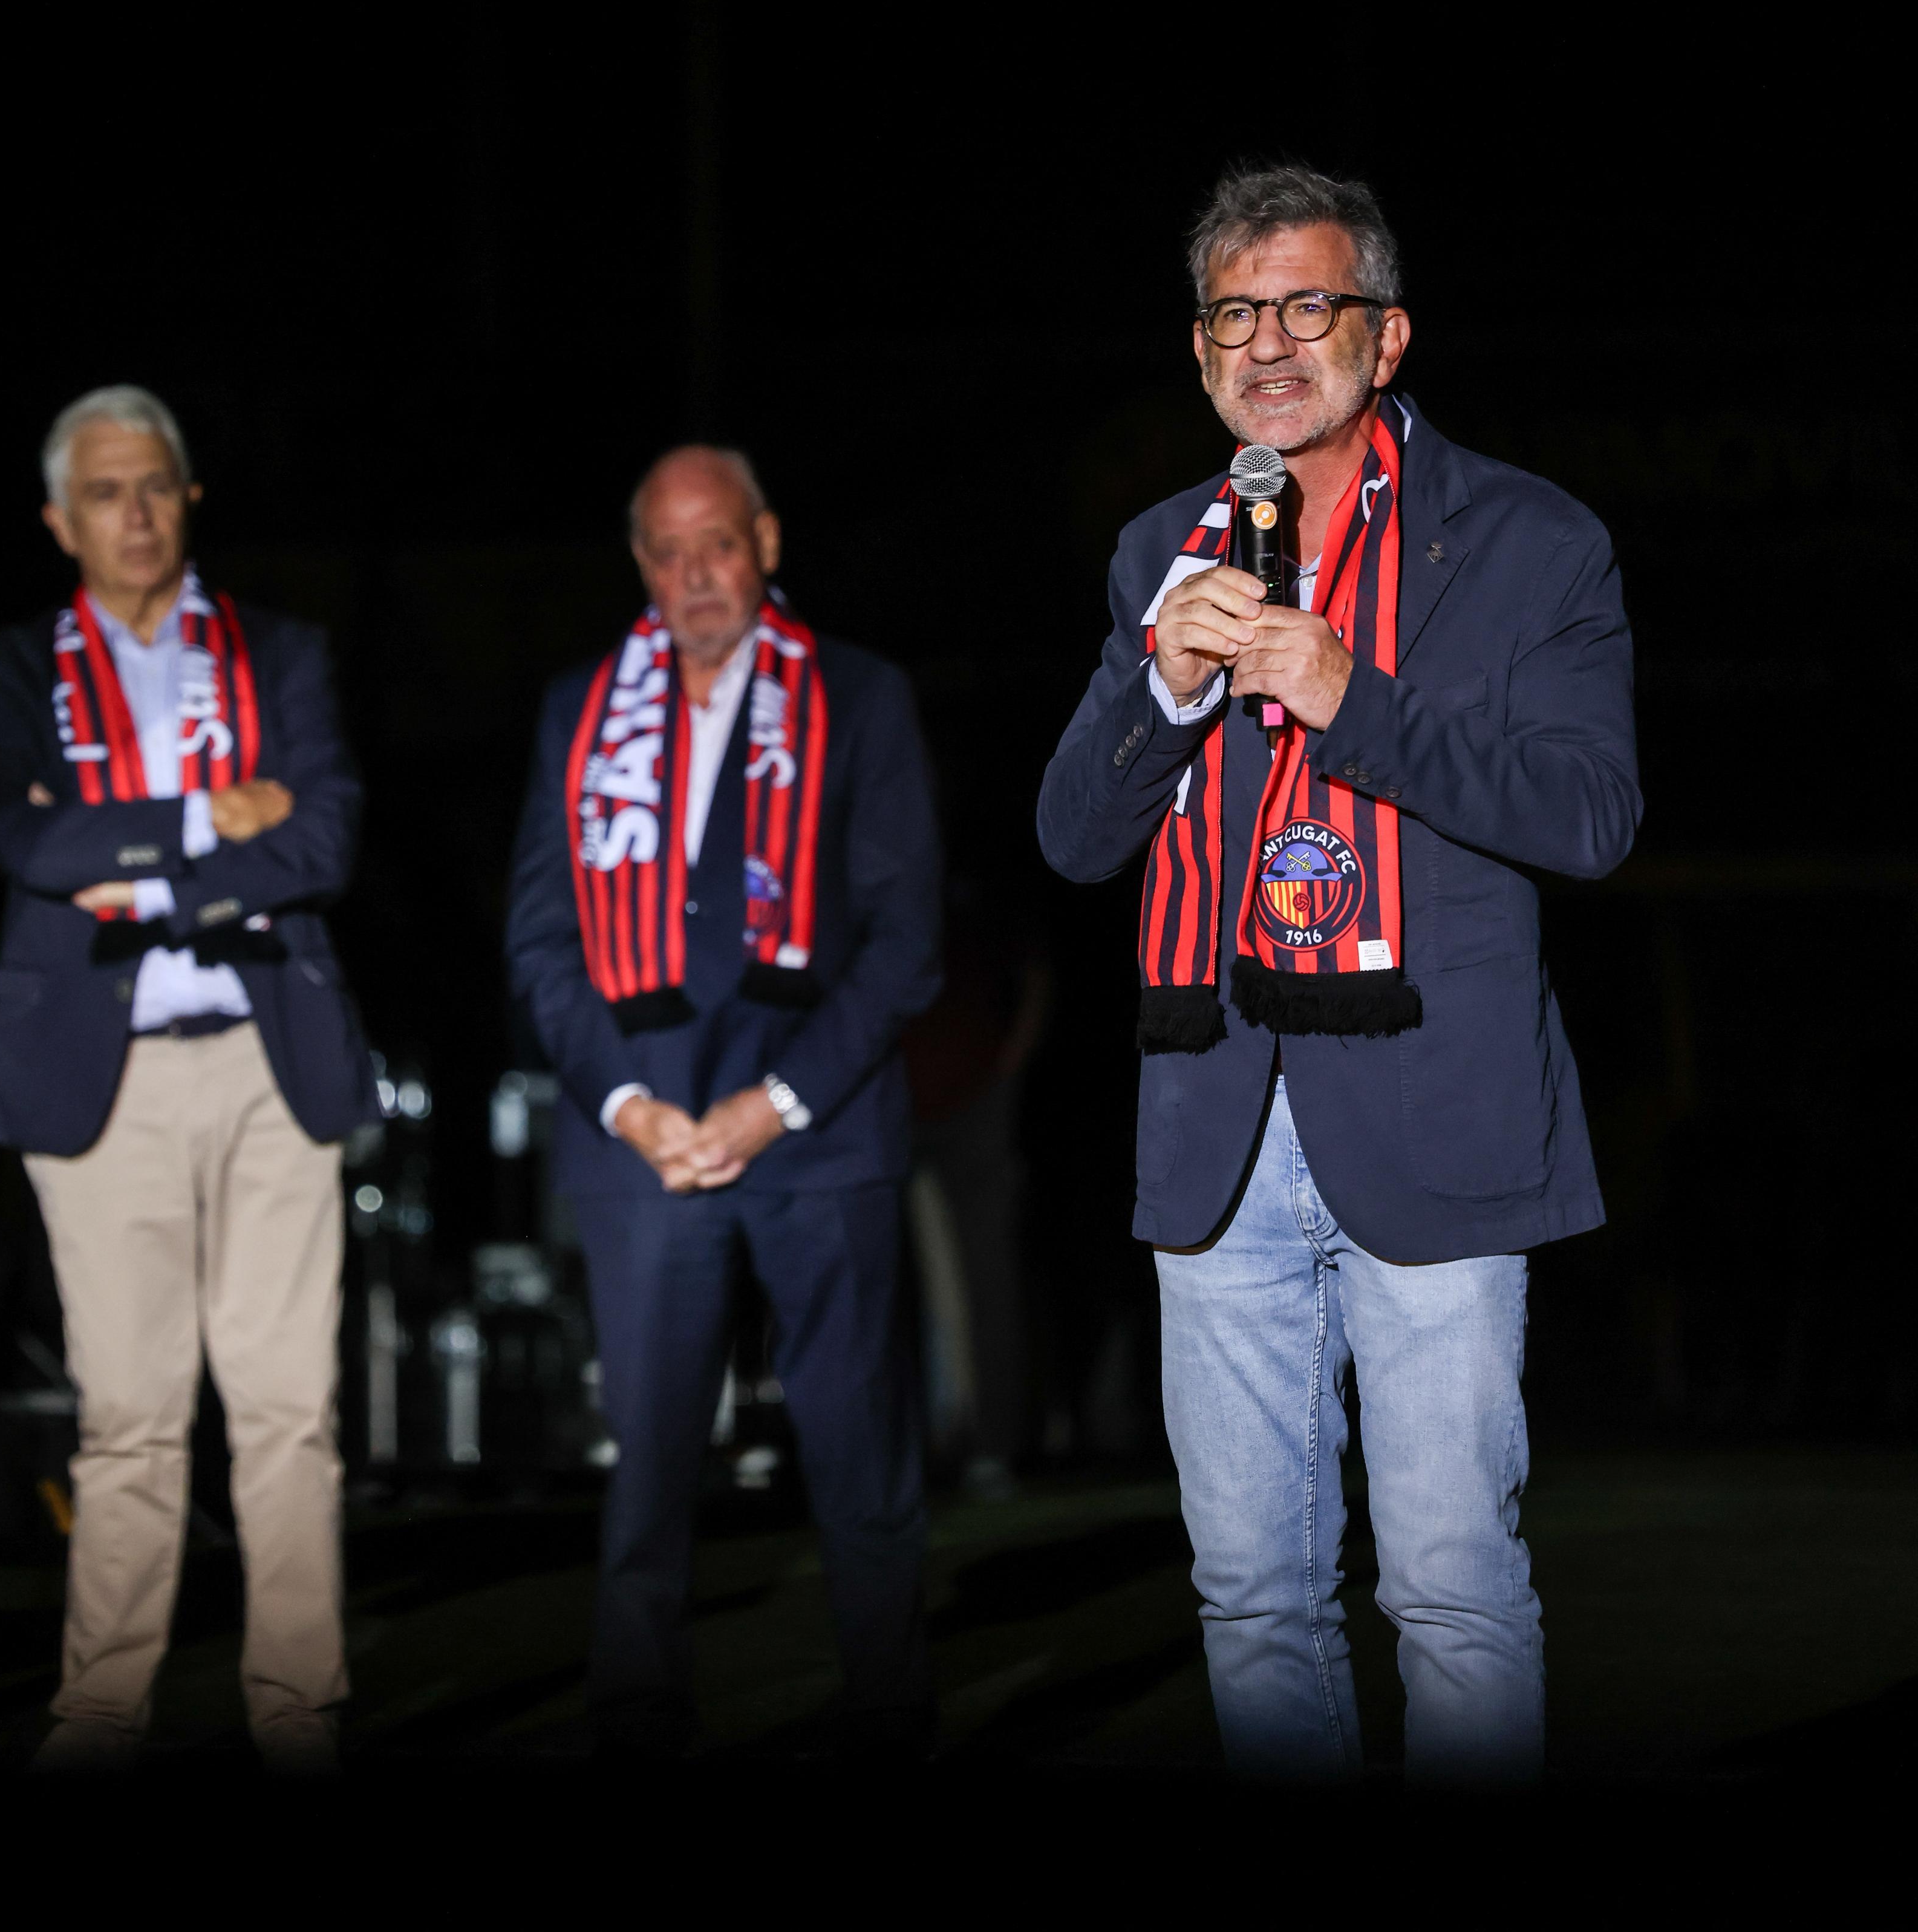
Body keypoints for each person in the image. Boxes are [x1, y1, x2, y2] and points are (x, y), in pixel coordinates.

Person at [1036, 166, 1639, 1783]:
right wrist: (1162, 688)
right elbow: (1075, 840)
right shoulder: (1164, 550)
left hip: (1435, 1117)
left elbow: (1592, 814)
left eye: (1310, 305)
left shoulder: (1528, 537)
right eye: (1238, 312)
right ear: (1201, 350)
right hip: (1216, 1124)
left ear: (1386, 335)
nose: (1273, 342)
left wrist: (1343, 690)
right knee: (1250, 1597)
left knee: (1448, 1588)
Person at [0, 385, 376, 1775]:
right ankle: (99, 1713)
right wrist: (207, 822)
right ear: (57, 520)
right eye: (102, 493)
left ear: (190, 498)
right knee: (129, 1416)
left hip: (271, 1061)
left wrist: (127, 864)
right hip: (102, 1075)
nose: (131, 515)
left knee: (286, 1411)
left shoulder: (283, 650)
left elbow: (321, 842)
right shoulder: (11, 665)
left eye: (153, 487)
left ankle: (298, 1710)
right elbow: (28, 848)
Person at [506, 445, 943, 1761]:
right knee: (645, 1470)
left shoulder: (859, 699)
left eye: (717, 544)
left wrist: (777, 1102)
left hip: (818, 1134)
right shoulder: (581, 710)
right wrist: (630, 1104)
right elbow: (537, 943)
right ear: (641, 565)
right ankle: (636, 1717)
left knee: (858, 1458)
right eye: (666, 550)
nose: (695, 575)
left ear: (764, 541)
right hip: (639, 1145)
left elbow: (905, 941)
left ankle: (887, 1712)